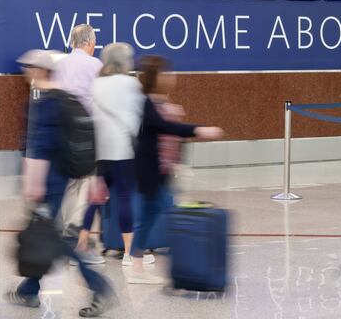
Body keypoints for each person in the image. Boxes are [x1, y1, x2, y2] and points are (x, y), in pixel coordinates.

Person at [4, 50, 115, 318]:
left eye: (30, 68)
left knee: (53, 238)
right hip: (64, 176)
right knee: (45, 234)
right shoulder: (67, 98)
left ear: (41, 71)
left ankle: (99, 287)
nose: (26, 73)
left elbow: (39, 149)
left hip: (48, 183)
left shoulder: (46, 103)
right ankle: (29, 290)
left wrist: (33, 186)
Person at [128, 55, 223, 284]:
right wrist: (199, 130)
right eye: (166, 74)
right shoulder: (145, 104)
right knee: (165, 214)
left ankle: (139, 264)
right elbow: (165, 128)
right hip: (149, 171)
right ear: (155, 78)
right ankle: (164, 264)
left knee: (152, 216)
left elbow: (168, 135)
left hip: (160, 172)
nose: (172, 77)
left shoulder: (158, 103)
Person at [76, 42, 155, 267]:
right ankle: (130, 252)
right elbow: (141, 114)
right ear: (124, 61)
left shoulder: (97, 84)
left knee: (96, 199)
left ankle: (81, 247)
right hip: (123, 150)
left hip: (101, 151)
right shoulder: (131, 84)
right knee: (123, 198)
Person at [52, 24, 103, 245]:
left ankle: (65, 227)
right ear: (90, 43)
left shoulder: (60, 64)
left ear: (73, 42)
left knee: (69, 180)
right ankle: (77, 226)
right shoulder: (95, 64)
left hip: (63, 127)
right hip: (88, 129)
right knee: (88, 178)